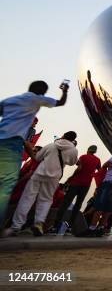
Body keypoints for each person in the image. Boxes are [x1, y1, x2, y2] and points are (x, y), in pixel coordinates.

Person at [0, 80, 68, 230]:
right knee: (4, 188)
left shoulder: (10, 100)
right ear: (42, 93)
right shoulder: (36, 99)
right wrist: (65, 90)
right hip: (12, 146)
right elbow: (60, 102)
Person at [7, 132, 78, 236]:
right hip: (54, 177)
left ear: (63, 135)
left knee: (27, 198)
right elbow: (72, 162)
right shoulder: (73, 150)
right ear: (72, 140)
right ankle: (38, 224)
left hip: (40, 173)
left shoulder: (51, 145)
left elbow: (38, 157)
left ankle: (16, 226)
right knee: (46, 200)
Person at [51, 145, 101, 233]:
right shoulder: (97, 160)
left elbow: (79, 168)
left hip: (75, 183)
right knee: (78, 204)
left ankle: (55, 226)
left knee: (65, 203)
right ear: (95, 151)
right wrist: (92, 175)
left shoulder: (83, 157)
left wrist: (69, 178)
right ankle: (70, 226)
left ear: (88, 150)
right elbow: (99, 171)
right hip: (86, 185)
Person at [83, 156, 112, 236]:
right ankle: (101, 229)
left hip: (109, 181)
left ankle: (92, 229)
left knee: (100, 204)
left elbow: (106, 165)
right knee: (109, 206)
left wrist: (109, 167)